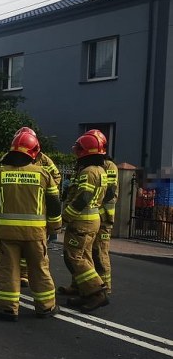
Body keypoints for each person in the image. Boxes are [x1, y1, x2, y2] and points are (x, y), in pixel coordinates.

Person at [0, 130, 62, 321]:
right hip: (36, 234)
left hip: (6, 234)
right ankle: (46, 308)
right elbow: (55, 205)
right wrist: (55, 229)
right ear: (34, 152)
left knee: (8, 271)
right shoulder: (43, 174)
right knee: (39, 270)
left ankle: (7, 309)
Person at [59, 133, 110, 312]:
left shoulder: (88, 172)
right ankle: (86, 293)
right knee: (85, 256)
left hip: (82, 222)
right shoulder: (100, 170)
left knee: (74, 257)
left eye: (79, 149)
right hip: (91, 220)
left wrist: (64, 218)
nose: (76, 153)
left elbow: (83, 199)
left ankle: (97, 292)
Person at [87, 129, 117, 295]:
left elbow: (110, 193)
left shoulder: (109, 166)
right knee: (85, 253)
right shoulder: (90, 166)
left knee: (100, 252)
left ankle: (104, 287)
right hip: (91, 217)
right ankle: (81, 285)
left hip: (104, 218)